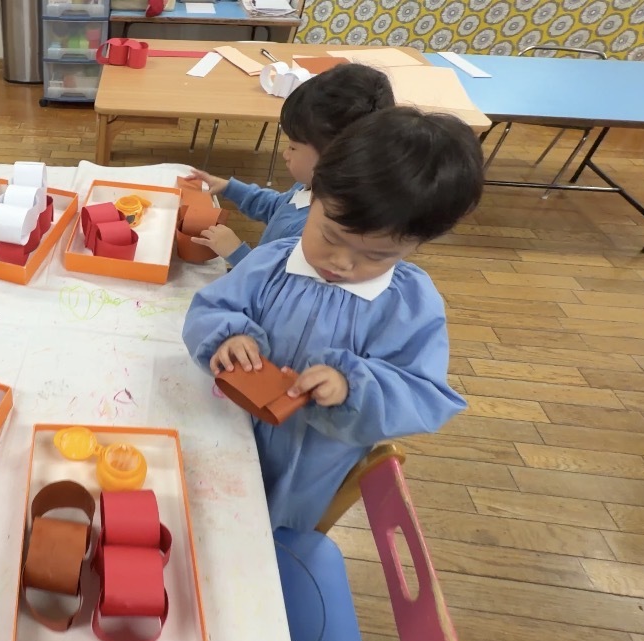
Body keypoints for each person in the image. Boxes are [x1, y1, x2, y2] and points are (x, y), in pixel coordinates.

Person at [182, 107, 483, 531]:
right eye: (329, 236)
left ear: (415, 245)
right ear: (313, 196)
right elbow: (210, 308)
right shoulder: (271, 261)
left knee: (266, 534)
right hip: (227, 430)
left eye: (376, 255)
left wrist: (351, 387)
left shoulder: (409, 305)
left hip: (306, 467)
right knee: (205, 516)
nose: (341, 262)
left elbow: (422, 393)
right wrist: (226, 337)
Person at [184, 63, 395, 265]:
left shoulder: (316, 233)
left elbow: (275, 282)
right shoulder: (312, 185)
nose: (285, 154)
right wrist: (229, 187)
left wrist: (236, 252)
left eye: (293, 147)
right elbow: (279, 207)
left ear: (333, 159)